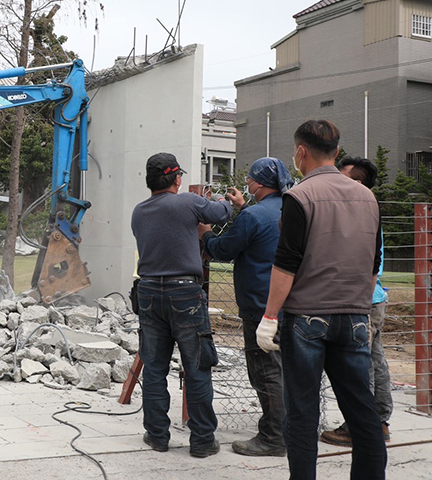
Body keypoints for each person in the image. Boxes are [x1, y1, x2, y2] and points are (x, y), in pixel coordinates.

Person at [256, 120, 386, 479]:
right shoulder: (368, 197)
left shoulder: (298, 196)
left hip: (307, 319)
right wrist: (358, 304)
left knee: (302, 413)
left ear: (301, 152)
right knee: (362, 412)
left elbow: (286, 264)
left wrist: (269, 317)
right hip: (356, 317)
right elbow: (373, 263)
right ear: (337, 152)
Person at [131, 152, 233, 458]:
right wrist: (230, 201)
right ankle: (202, 440)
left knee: (154, 367)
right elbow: (221, 214)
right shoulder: (188, 203)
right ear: (177, 179)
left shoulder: (139, 211)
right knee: (197, 367)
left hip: (149, 293)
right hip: (185, 294)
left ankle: (157, 435)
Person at [200, 157, 293, 457]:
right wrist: (243, 208)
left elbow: (225, 250)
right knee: (287, 370)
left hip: (259, 305)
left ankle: (273, 437)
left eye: (251, 180)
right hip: (291, 304)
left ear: (260, 183)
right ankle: (292, 430)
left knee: (265, 371)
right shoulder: (290, 208)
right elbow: (264, 231)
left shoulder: (253, 217)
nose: (247, 185)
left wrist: (206, 235)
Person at [320, 157, 393, 446]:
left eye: (343, 177)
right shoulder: (369, 211)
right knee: (376, 360)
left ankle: (359, 427)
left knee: (362, 365)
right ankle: (380, 422)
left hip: (362, 299)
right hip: (373, 299)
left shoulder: (359, 213)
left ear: (357, 184)